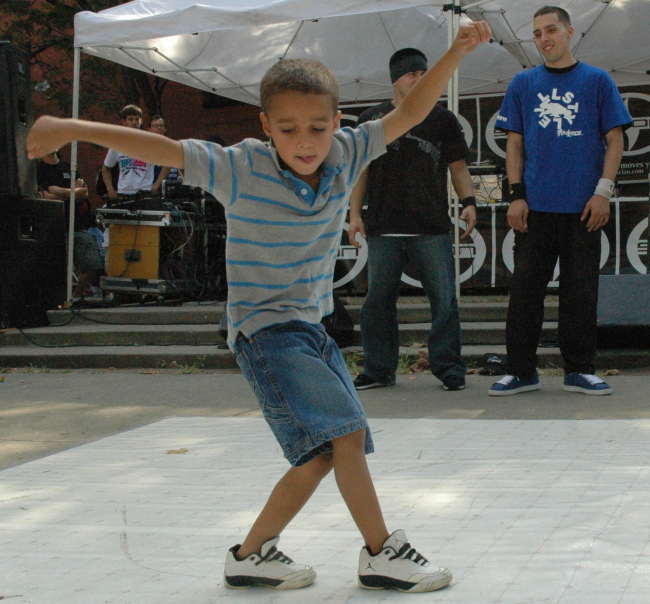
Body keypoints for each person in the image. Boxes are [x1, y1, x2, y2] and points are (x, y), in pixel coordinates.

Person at [26, 20, 491, 592]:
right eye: (289, 128)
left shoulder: (349, 151)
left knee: (323, 454)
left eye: (318, 127)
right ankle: (380, 551)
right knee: (345, 435)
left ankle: (250, 555)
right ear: (266, 125)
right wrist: (68, 127)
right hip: (265, 331)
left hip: (311, 327)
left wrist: (455, 52)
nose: (305, 141)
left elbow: (412, 112)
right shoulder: (240, 167)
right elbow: (164, 149)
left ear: (338, 123)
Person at [489, 6, 631, 397]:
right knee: (525, 294)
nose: (543, 38)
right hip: (535, 209)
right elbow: (514, 143)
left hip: (585, 208)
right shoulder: (522, 83)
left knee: (581, 294)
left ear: (569, 32)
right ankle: (520, 371)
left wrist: (603, 191)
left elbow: (615, 139)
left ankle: (580, 370)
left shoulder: (598, 81)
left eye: (550, 30)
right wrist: (516, 197)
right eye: (536, 33)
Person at [348, 48, 477, 393]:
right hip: (383, 227)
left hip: (431, 226)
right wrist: (354, 216)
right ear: (396, 79)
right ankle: (378, 369)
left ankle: (449, 367)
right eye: (412, 74)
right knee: (377, 302)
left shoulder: (442, 119)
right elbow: (361, 171)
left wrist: (469, 202)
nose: (419, 79)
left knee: (445, 301)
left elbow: (458, 166)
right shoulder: (371, 120)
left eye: (424, 73)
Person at [37, 150, 104, 301]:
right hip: (53, 228)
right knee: (57, 268)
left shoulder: (69, 167)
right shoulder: (38, 170)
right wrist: (73, 191)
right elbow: (43, 196)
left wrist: (60, 191)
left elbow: (85, 193)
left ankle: (77, 296)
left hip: (77, 226)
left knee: (92, 263)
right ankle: (60, 300)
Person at [101, 105, 165, 201]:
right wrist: (110, 189)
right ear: (124, 121)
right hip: (124, 194)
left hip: (144, 194)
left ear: (141, 121)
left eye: (137, 119)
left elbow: (167, 165)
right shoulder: (117, 144)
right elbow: (106, 168)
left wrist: (155, 186)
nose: (134, 122)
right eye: (130, 119)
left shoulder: (150, 142)